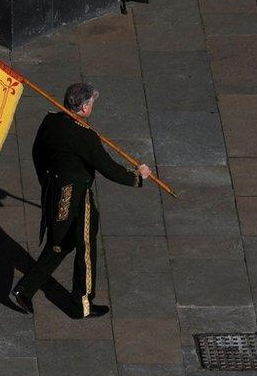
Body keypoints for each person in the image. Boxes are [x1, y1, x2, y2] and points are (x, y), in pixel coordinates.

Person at [11, 83, 152, 318]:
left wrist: (46, 180)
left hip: (53, 193)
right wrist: (138, 176)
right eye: (91, 104)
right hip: (77, 198)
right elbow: (109, 168)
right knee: (86, 247)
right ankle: (82, 304)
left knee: (60, 244)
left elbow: (38, 153)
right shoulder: (84, 135)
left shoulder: (51, 120)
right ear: (84, 107)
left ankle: (24, 289)